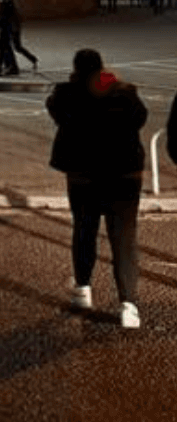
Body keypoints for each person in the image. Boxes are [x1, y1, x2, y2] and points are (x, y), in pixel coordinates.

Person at [47, 48, 146, 329]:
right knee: (124, 237)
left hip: (83, 174)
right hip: (124, 173)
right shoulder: (123, 91)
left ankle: (83, 289)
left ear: (77, 69)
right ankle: (128, 305)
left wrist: (74, 83)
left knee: (84, 229)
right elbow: (140, 117)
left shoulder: (67, 93)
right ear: (102, 68)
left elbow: (54, 108)